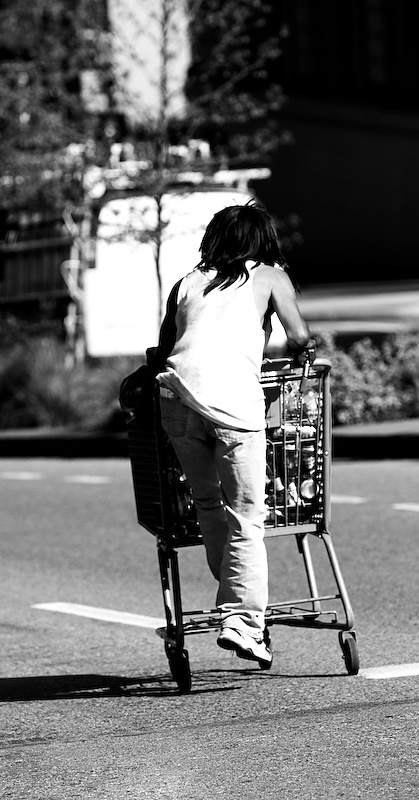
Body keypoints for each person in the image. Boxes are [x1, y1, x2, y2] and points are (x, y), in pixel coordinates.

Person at [154, 201, 314, 668]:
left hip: (177, 403)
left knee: (209, 505)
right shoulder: (268, 276)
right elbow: (299, 336)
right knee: (247, 515)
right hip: (231, 407)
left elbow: (166, 346)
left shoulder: (187, 282)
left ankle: (237, 610)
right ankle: (242, 623)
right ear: (263, 241)